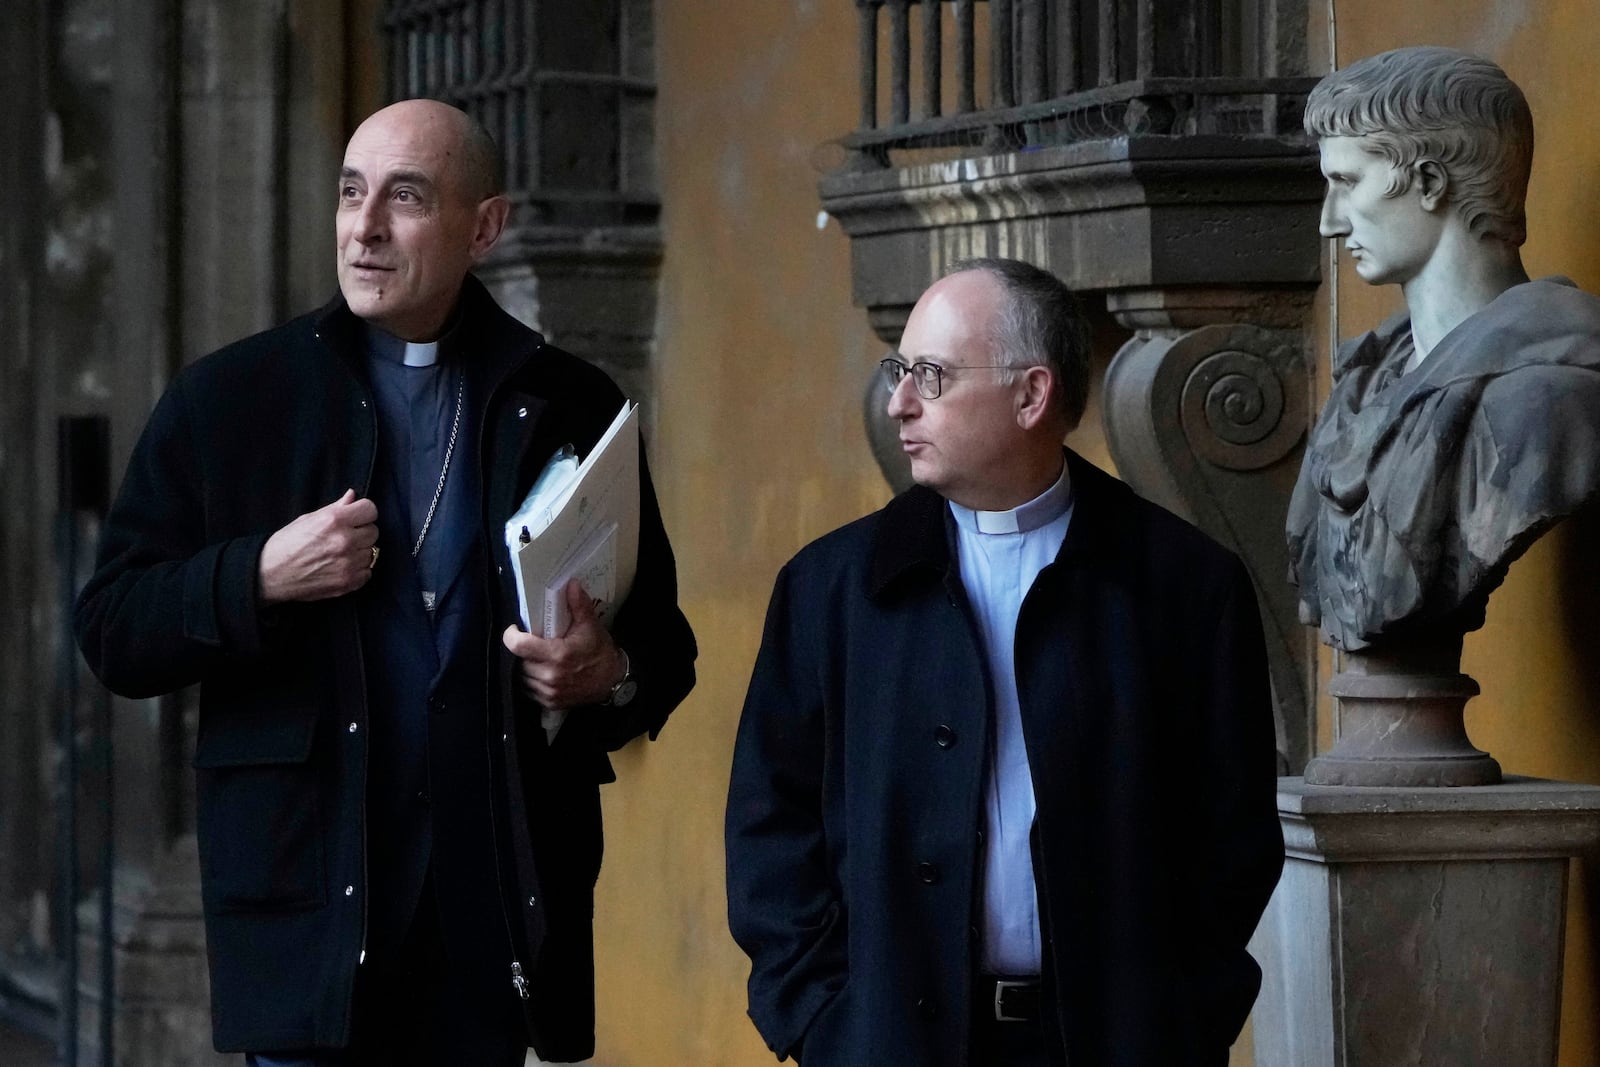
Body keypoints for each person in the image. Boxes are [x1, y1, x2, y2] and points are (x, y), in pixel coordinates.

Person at [74, 99, 696, 1065]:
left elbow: (663, 646)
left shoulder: (571, 401)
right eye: (350, 193)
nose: (362, 229)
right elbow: (112, 627)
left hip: (489, 920)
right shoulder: (231, 400)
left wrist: (604, 673)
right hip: (310, 909)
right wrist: (258, 576)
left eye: (404, 198)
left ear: (483, 228)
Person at [725, 258, 1284, 1066]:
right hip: (887, 1042)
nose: (899, 402)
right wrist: (820, 1020)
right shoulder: (831, 590)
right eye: (899, 371)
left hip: (1114, 1044)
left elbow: (1231, 841)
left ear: (1032, 394)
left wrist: (1185, 1016)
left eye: (932, 376)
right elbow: (769, 824)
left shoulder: (1185, 586)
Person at [1288, 46, 1600, 652]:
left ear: (1430, 182)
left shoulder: (1547, 399)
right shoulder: (1367, 380)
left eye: (1347, 183)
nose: (1329, 222)